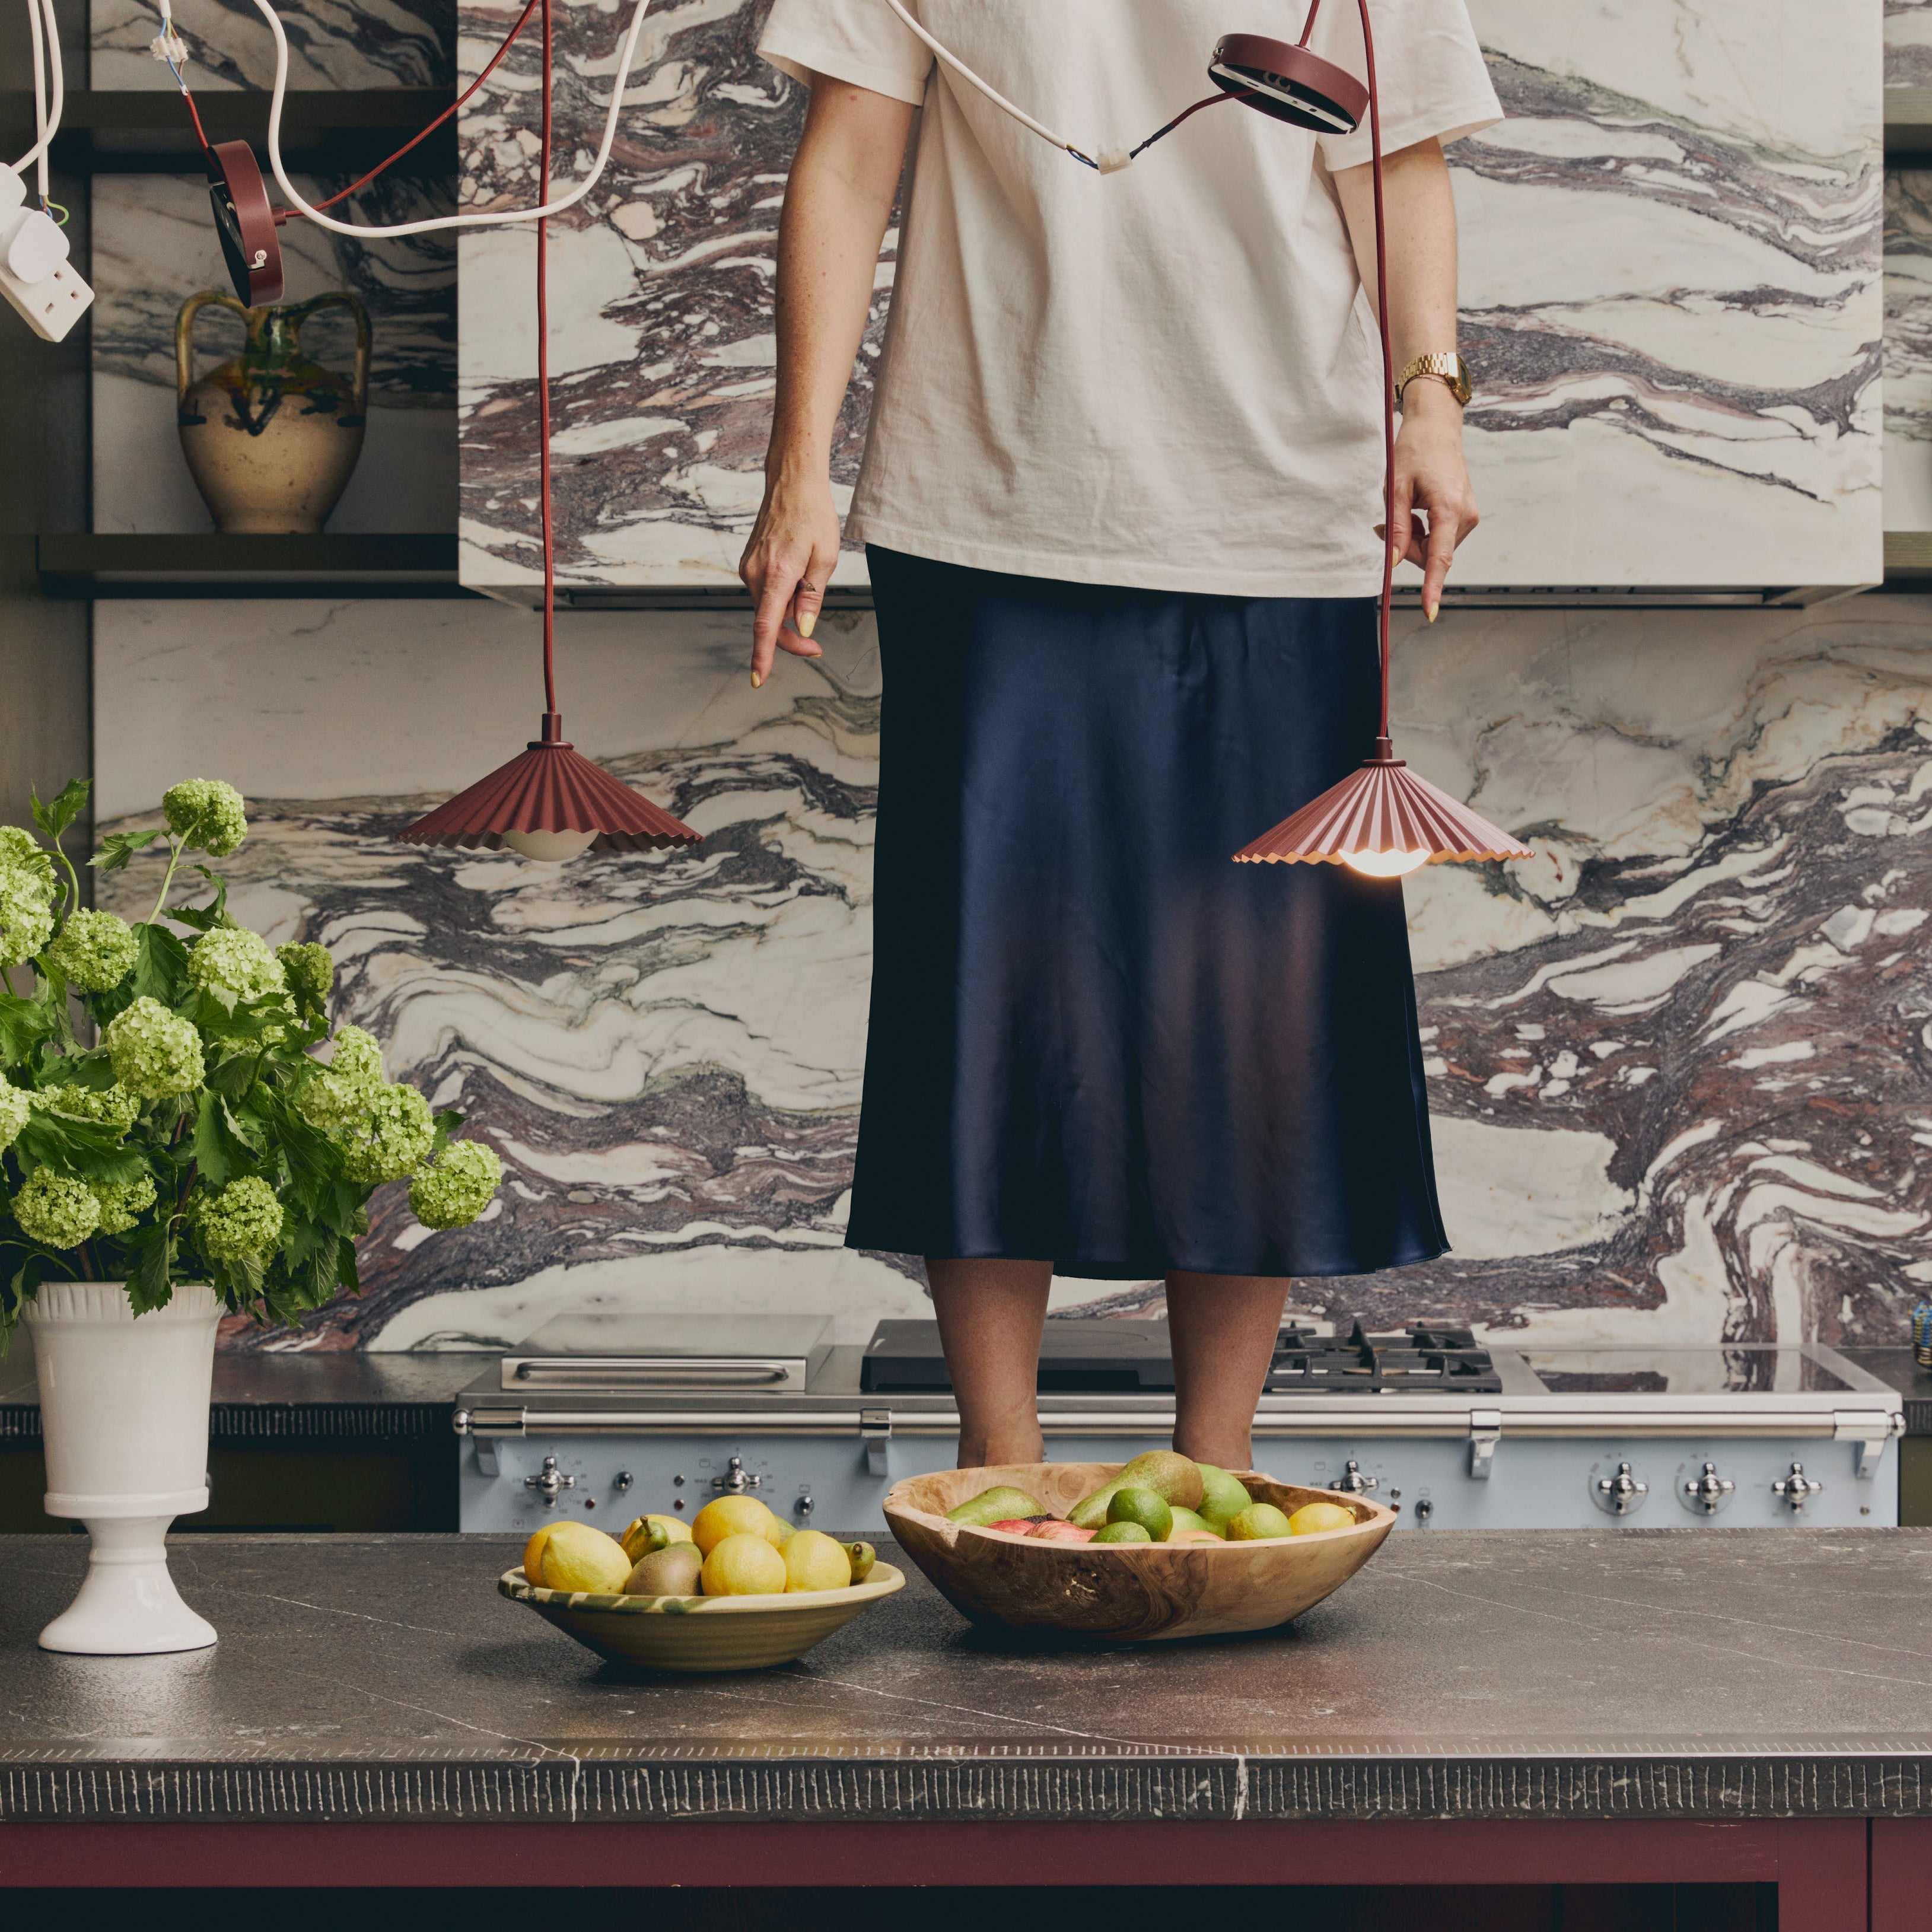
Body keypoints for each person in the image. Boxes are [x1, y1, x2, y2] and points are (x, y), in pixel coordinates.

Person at [743, 2, 1500, 1473]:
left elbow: (1395, 160)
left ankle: (1217, 1475)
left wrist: (1435, 408)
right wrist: (797, 466)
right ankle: (998, 1476)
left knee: (1261, 999)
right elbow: (848, 158)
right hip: (986, 487)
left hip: (1280, 508)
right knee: (986, 985)